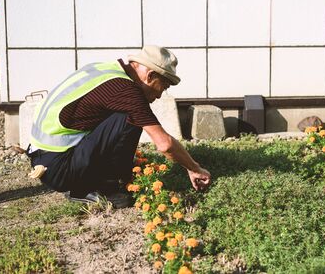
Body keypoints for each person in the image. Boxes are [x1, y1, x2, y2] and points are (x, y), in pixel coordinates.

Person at [27, 45, 211, 205]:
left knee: (128, 114)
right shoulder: (126, 92)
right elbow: (165, 144)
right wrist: (194, 168)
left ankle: (98, 178)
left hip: (44, 158)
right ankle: (101, 187)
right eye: (163, 87)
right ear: (150, 75)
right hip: (59, 170)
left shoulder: (105, 69)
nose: (160, 95)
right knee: (129, 118)